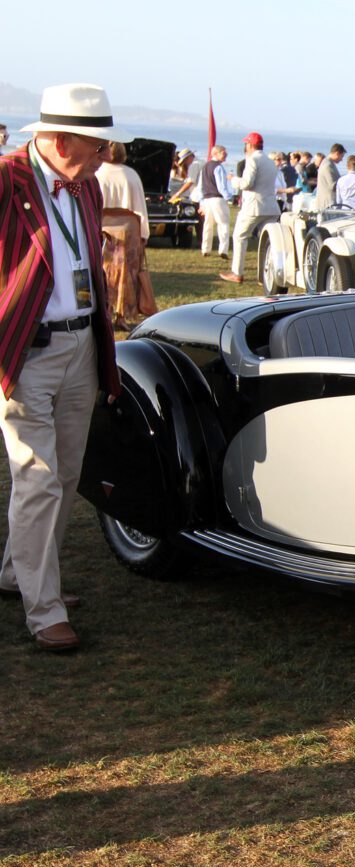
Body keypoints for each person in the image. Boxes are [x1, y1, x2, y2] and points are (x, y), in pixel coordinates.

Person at [0, 82, 128, 651]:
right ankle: (43, 609)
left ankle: (17, 574)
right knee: (38, 480)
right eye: (96, 143)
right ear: (56, 139)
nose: (106, 153)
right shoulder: (8, 179)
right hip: (25, 350)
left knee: (66, 475)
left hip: (82, 346)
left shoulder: (87, 187)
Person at [96, 141, 157, 330]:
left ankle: (103, 312)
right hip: (128, 230)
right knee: (126, 276)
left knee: (102, 271)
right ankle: (120, 316)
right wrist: (144, 234)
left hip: (102, 227)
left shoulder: (98, 172)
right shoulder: (130, 174)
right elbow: (140, 208)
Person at [220, 132, 279, 284]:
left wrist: (233, 180)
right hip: (271, 206)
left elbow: (247, 183)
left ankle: (237, 272)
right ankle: (267, 275)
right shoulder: (270, 161)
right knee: (269, 242)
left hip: (254, 206)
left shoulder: (253, 160)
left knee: (240, 236)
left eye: (246, 144)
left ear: (250, 145)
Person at [197, 145, 233, 258]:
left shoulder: (205, 167)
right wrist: (229, 197)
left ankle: (205, 249)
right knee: (223, 224)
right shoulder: (218, 167)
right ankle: (223, 250)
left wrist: (201, 202)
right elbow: (221, 186)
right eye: (223, 153)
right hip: (217, 199)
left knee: (208, 225)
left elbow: (201, 186)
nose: (225, 155)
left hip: (207, 199)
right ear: (216, 153)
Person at [314, 143, 344, 211]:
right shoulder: (328, 165)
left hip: (327, 203)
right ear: (337, 153)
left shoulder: (328, 163)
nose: (342, 159)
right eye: (342, 156)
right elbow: (333, 185)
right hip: (328, 203)